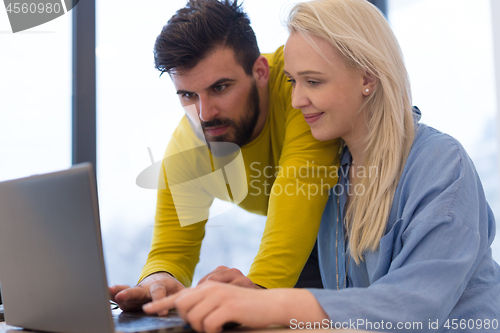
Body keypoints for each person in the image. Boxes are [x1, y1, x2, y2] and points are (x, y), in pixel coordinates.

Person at [141, 0, 500, 332]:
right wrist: (239, 295)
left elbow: (415, 307)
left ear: (367, 78)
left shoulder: (441, 165)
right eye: (293, 82)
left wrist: (267, 298)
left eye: (312, 81)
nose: (295, 101)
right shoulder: (335, 183)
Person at [110, 0, 341, 311]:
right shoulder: (188, 147)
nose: (205, 114)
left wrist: (255, 291)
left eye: (220, 87)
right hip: (304, 244)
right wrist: (156, 280)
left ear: (260, 71)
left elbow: (300, 184)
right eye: (188, 95)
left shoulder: (298, 89)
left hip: (362, 225)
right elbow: (171, 248)